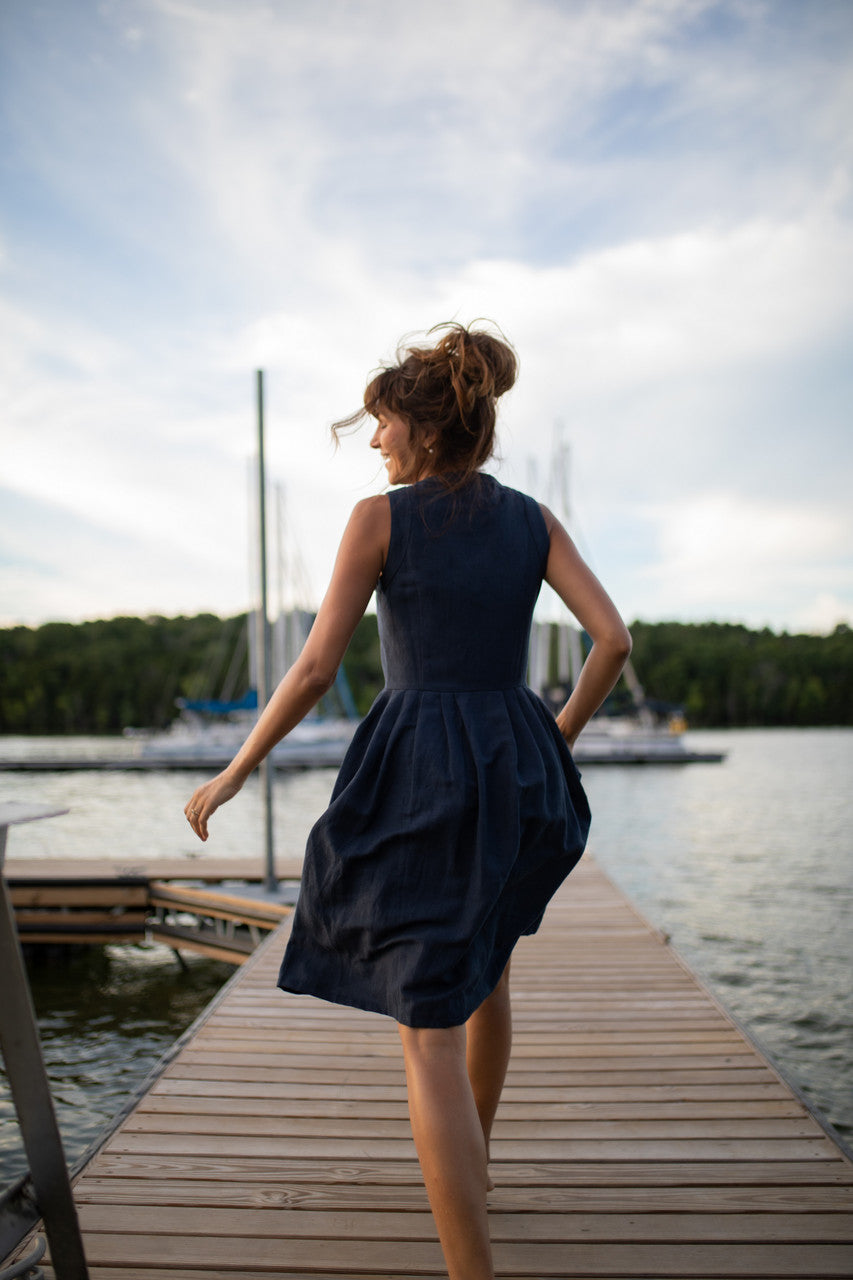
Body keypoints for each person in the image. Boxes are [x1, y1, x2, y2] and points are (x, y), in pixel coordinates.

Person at [184, 321, 631, 1280]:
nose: (376, 441)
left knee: (426, 1028)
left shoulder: (379, 518)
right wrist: (554, 738)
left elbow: (312, 670)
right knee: (489, 975)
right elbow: (613, 642)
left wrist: (235, 770)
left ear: (423, 431)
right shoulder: (533, 520)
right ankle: (476, 1164)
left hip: (423, 764)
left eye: (382, 424)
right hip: (516, 762)